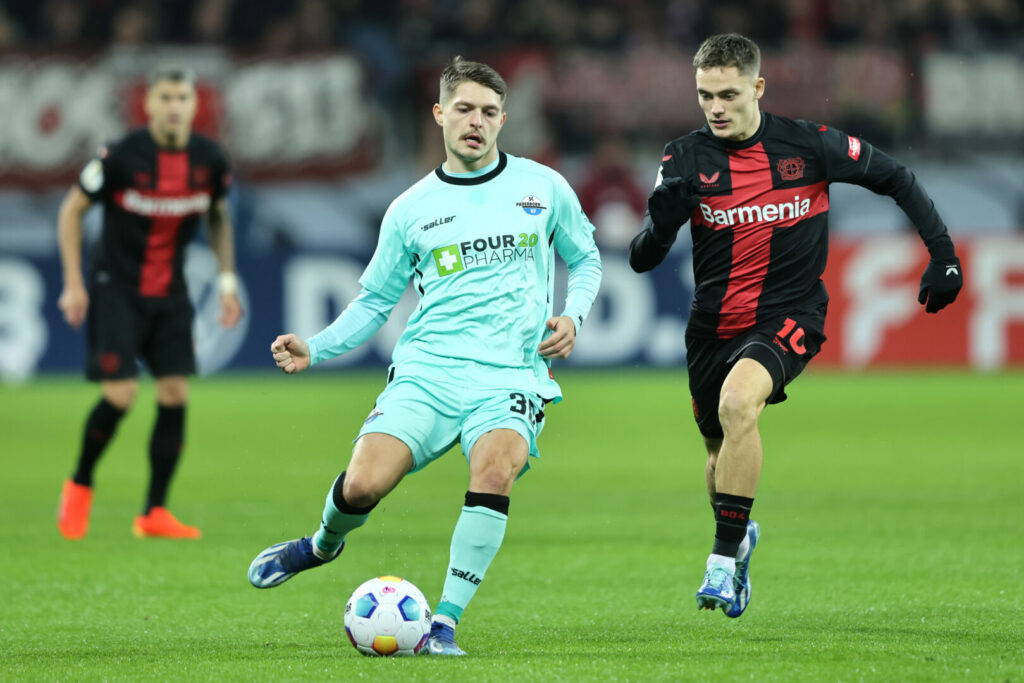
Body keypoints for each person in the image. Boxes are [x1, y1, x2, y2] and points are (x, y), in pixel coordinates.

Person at [246, 56, 602, 656]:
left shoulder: (542, 187)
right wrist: (317, 346)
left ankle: (444, 623)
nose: (476, 121)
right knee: (363, 484)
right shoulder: (410, 208)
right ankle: (321, 545)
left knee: (495, 471)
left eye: (489, 112)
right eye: (464, 109)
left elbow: (587, 258)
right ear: (439, 114)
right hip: (428, 373)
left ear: (503, 119)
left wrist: (574, 315)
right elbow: (374, 302)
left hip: (511, 374)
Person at [628, 34, 962, 617]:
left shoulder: (808, 145)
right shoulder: (682, 157)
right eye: (705, 95)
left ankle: (720, 561)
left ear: (757, 87)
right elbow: (641, 258)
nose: (715, 108)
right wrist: (660, 227)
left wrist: (943, 254)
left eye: (728, 95)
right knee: (718, 450)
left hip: (790, 313)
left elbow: (896, 177)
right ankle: (739, 539)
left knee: (738, 405)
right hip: (712, 325)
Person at [56, 64, 242, 540]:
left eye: (183, 98)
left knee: (175, 394)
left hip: (171, 293)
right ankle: (79, 484)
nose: (174, 107)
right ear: (149, 104)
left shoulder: (210, 159)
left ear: (194, 105)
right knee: (120, 395)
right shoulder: (120, 156)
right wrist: (73, 283)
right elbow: (71, 211)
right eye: (165, 98)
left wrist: (226, 282)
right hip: (116, 288)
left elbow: (218, 216)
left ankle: (155, 512)